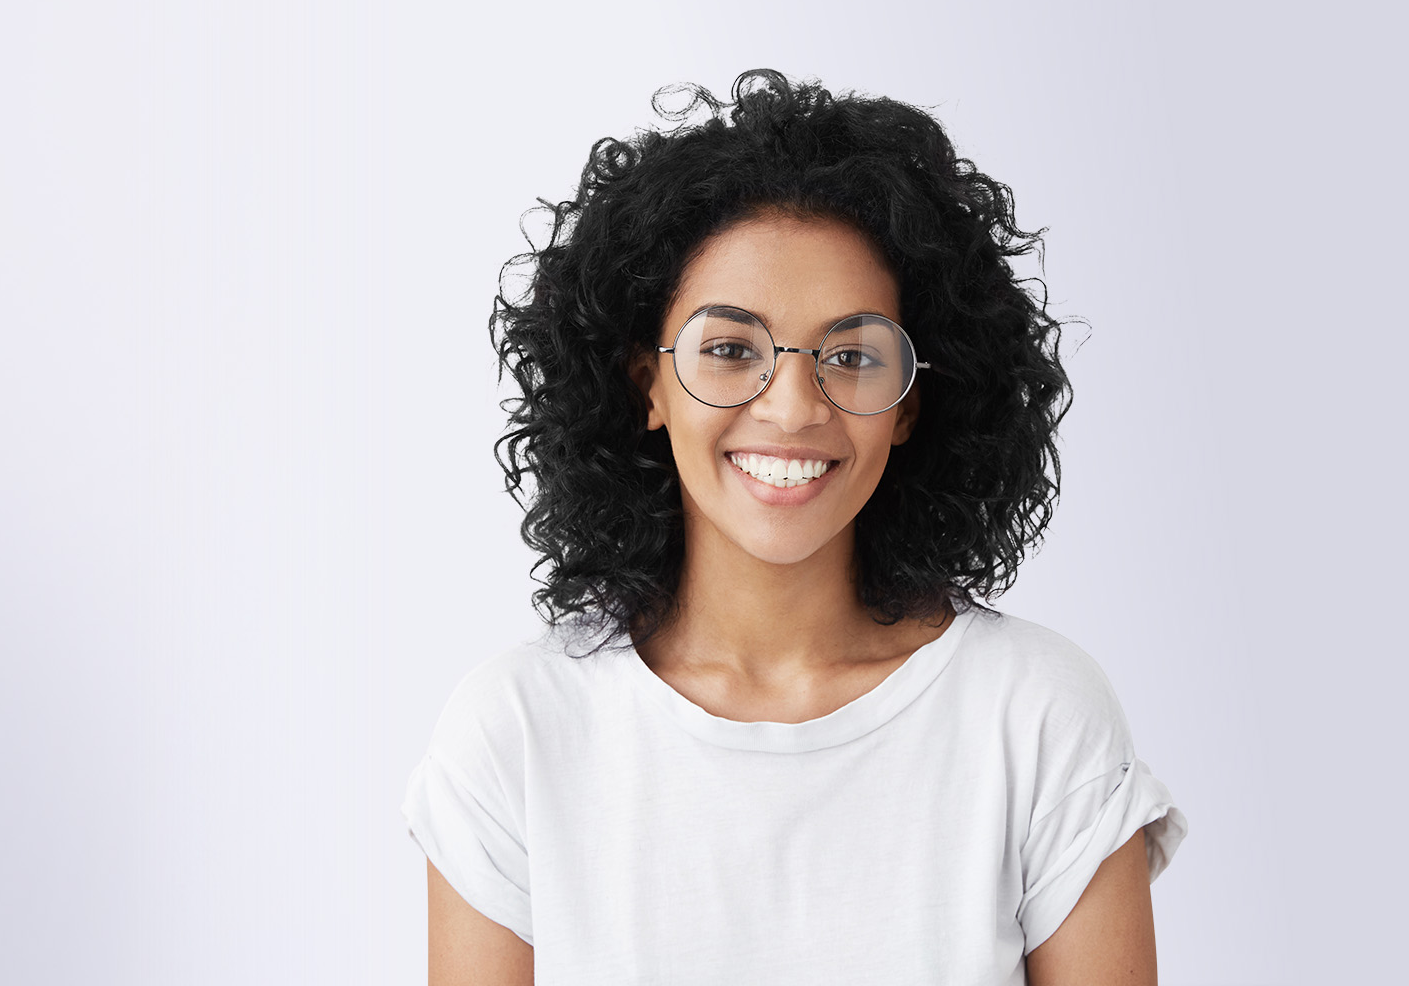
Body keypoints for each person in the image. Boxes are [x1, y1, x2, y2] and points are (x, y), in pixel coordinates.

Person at [399, 70, 1187, 985]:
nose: (791, 408)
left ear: (910, 405)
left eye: (850, 356)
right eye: (731, 349)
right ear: (645, 383)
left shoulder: (1036, 716)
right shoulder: (517, 734)